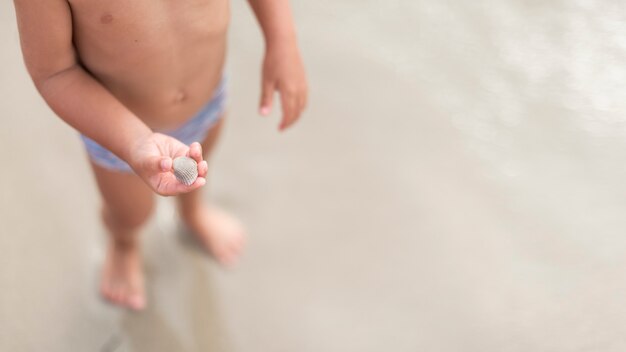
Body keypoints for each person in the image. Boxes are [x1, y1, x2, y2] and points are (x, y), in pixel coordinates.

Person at [13, 0, 308, 311]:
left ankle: (192, 213)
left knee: (200, 166)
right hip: (119, 135)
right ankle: (124, 244)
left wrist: (282, 41)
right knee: (130, 213)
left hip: (206, 101)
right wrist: (135, 142)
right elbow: (55, 73)